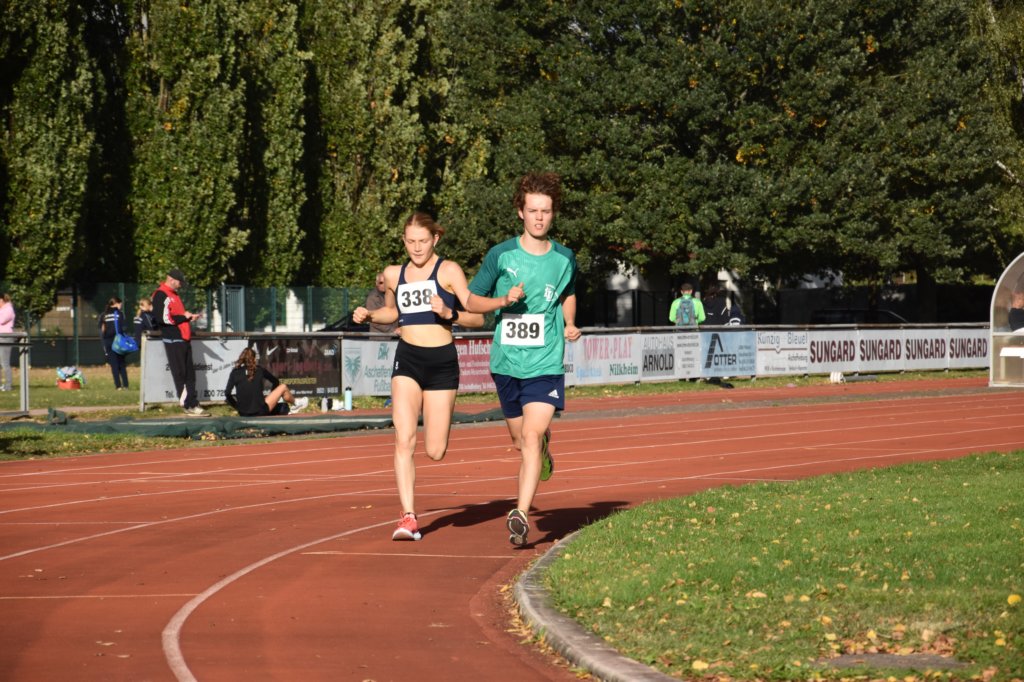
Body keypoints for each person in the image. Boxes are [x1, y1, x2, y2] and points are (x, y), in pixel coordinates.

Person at [351, 212, 501, 542]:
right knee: (403, 438)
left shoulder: (448, 271)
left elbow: (477, 318)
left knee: (435, 450)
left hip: (441, 362)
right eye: (410, 242)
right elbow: (392, 312)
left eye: (422, 241)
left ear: (435, 239)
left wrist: (449, 314)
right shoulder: (394, 273)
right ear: (403, 241)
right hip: (408, 358)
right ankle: (408, 516)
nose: (417, 248)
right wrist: (370, 314)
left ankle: (412, 508)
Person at [466, 171, 582, 547]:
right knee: (522, 441)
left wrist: (569, 322)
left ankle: (520, 513)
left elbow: (568, 293)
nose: (539, 218)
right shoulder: (501, 255)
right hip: (506, 364)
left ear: (553, 213)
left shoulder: (564, 258)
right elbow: (471, 301)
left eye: (545, 211)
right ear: (521, 212)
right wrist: (503, 301)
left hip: (545, 363)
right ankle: (542, 448)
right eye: (533, 210)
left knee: (530, 436)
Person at [152, 268, 209, 416]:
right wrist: (184, 317)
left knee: (190, 374)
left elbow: (176, 315)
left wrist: (188, 317)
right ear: (171, 280)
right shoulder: (161, 294)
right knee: (181, 374)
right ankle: (188, 405)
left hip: (183, 338)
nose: (181, 285)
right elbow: (163, 318)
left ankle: (193, 402)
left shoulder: (174, 295)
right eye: (179, 282)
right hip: (173, 339)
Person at [224, 347, 309, 416]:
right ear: (254, 359)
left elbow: (227, 393)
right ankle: (297, 403)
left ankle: (288, 407)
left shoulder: (234, 372)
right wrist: (272, 395)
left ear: (242, 358)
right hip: (260, 411)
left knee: (276, 405)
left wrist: (237, 406)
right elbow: (275, 381)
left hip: (243, 413)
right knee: (283, 387)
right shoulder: (259, 370)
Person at [99, 297, 130, 390]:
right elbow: (123, 328)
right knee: (122, 364)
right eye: (120, 304)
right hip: (118, 341)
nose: (121, 306)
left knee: (114, 365)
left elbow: (102, 329)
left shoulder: (104, 315)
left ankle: (118, 386)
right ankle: (125, 385)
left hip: (108, 342)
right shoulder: (120, 314)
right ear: (116, 303)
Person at [0, 293, 15, 392]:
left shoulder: (8, 309)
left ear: (1, 300)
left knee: (5, 363)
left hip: (5, 337)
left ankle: (8, 386)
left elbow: (1, 320)